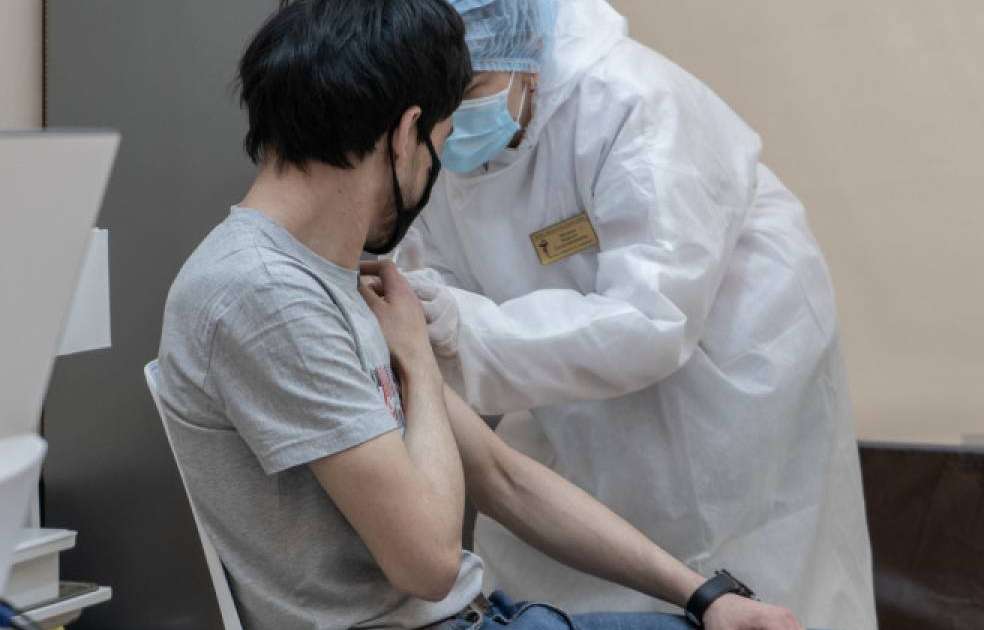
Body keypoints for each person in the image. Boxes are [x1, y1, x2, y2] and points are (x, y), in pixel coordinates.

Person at [157, 2, 807, 629]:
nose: (440, 169)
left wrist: (707, 596)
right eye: (441, 140)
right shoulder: (266, 296)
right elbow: (430, 564)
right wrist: (417, 360)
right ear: (407, 135)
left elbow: (503, 477)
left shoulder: (324, 281)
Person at [396, 1, 877, 629]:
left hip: (721, 390)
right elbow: (427, 275)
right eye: (438, 99)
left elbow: (653, 318)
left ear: (524, 56)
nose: (454, 116)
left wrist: (465, 328)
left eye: (470, 90)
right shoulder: (436, 143)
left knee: (746, 569)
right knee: (553, 574)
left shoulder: (630, 104)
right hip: (563, 392)